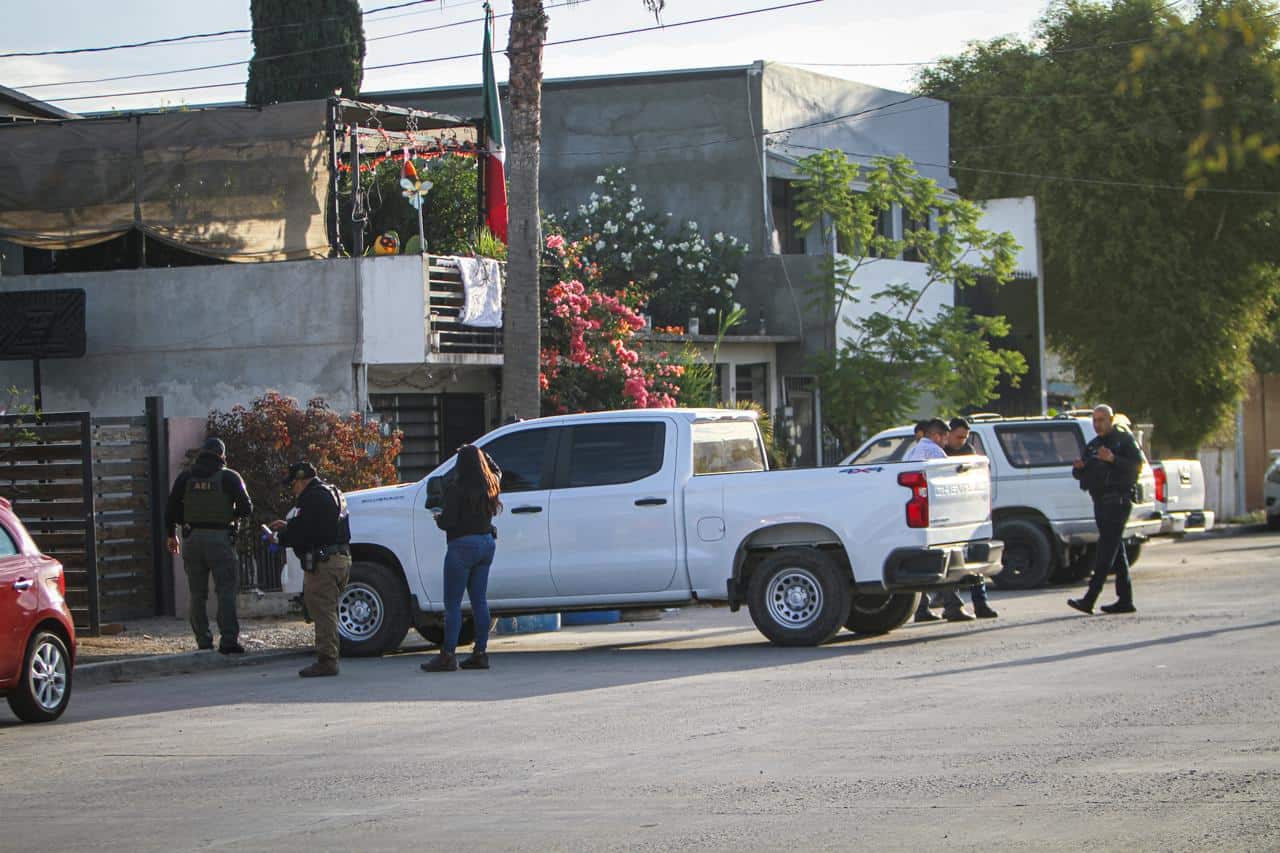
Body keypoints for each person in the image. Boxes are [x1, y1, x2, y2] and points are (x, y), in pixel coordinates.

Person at [164, 437, 253, 654]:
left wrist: (172, 535)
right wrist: (229, 515)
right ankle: (228, 641)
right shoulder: (230, 477)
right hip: (220, 539)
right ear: (222, 455)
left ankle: (203, 641)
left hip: (192, 539)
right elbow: (246, 508)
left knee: (197, 593)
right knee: (225, 591)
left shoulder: (186, 476)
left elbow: (171, 508)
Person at [421, 445, 502, 673]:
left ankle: (448, 656)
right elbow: (498, 470)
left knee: (453, 605)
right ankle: (480, 653)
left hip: (461, 547)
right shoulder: (491, 483)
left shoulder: (456, 488)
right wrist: (485, 455)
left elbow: (448, 522)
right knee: (479, 601)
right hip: (486, 544)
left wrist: (438, 518)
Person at [269, 462, 352, 677]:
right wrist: (289, 526)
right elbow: (320, 526)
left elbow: (306, 532)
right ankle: (329, 656)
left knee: (322, 612)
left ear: (301, 480)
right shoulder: (332, 491)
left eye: (293, 484)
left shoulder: (312, 497)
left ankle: (327, 661)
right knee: (327, 610)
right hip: (340, 558)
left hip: (324, 563)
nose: (293, 490)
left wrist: (280, 538)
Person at [1068, 405, 1142, 615]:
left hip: (1118, 501)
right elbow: (1082, 473)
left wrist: (1113, 459)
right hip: (1100, 502)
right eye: (1095, 420)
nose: (1097, 424)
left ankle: (1089, 598)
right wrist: (1079, 469)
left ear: (1111, 419)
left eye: (1101, 420)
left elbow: (1136, 465)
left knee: (1106, 550)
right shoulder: (1094, 445)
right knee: (1116, 551)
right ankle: (1125, 600)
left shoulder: (1123, 440)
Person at [905, 419, 975, 621]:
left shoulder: (913, 451)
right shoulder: (935, 452)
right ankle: (953, 606)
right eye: (945, 437)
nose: (946, 442)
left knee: (924, 563)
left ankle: (922, 608)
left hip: (917, 514)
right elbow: (949, 481)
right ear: (936, 436)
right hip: (936, 514)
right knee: (947, 560)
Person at [944, 417, 997, 619]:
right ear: (949, 434)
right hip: (947, 514)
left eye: (965, 437)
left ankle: (980, 604)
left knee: (975, 560)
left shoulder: (968, 451)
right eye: (959, 437)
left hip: (967, 511)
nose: (962, 441)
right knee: (951, 563)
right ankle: (952, 606)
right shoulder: (941, 453)